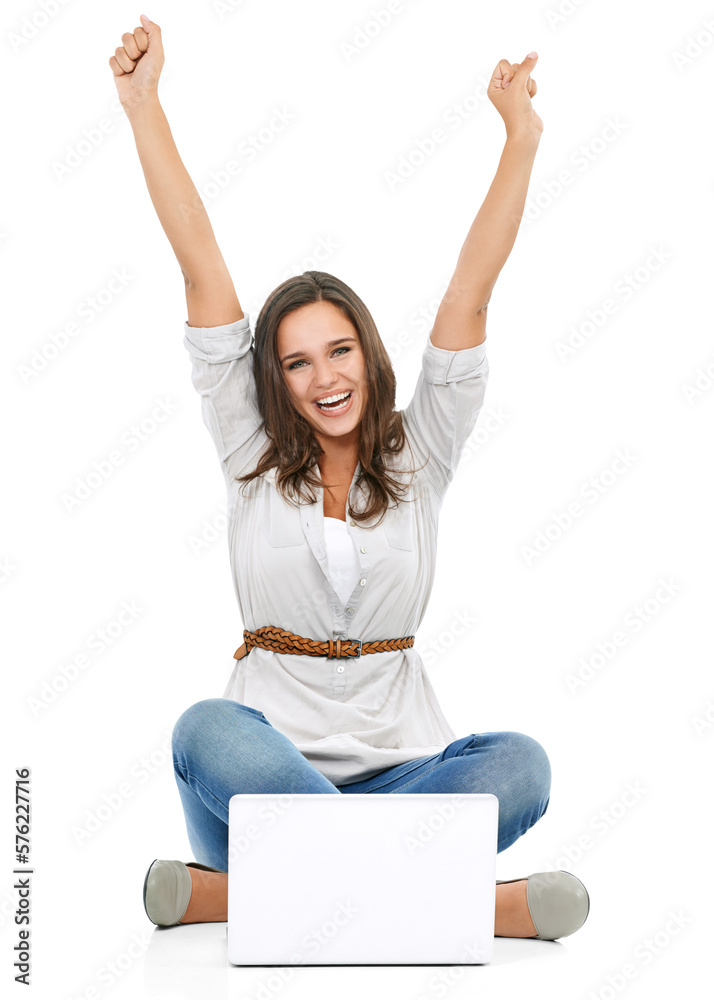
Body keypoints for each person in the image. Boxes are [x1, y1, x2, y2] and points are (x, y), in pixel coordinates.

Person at [109, 16, 589, 942]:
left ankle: (243, 897)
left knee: (520, 765)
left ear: (369, 356)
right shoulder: (252, 453)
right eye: (296, 364)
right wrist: (142, 108)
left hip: (405, 776)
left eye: (339, 353)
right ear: (272, 382)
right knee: (202, 729)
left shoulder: (422, 453)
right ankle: (456, 905)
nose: (324, 379)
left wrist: (521, 136)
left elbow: (470, 295)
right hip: (262, 775)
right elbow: (200, 265)